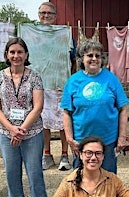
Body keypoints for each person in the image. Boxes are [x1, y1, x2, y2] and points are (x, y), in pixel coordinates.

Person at [0, 37, 47, 197]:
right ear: (6, 55)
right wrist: (11, 128)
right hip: (7, 133)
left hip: (32, 132)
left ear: (26, 55)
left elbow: (38, 106)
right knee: (11, 170)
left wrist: (21, 129)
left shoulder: (35, 77)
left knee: (34, 170)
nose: (16, 56)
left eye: (20, 52)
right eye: (12, 52)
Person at [61, 40, 129, 174]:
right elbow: (66, 112)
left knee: (107, 180)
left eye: (97, 56)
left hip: (108, 141)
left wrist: (122, 137)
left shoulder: (111, 79)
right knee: (81, 181)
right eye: (90, 55)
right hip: (81, 141)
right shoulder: (73, 81)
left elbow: (123, 110)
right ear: (81, 59)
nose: (94, 59)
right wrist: (69, 139)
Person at [38, 2, 74, 171]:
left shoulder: (64, 34)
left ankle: (65, 155)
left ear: (55, 15)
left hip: (60, 83)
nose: (46, 16)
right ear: (39, 15)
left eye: (49, 13)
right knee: (43, 121)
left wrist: (70, 81)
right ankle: (47, 154)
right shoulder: (33, 34)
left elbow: (73, 59)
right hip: (40, 85)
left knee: (62, 120)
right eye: (43, 13)